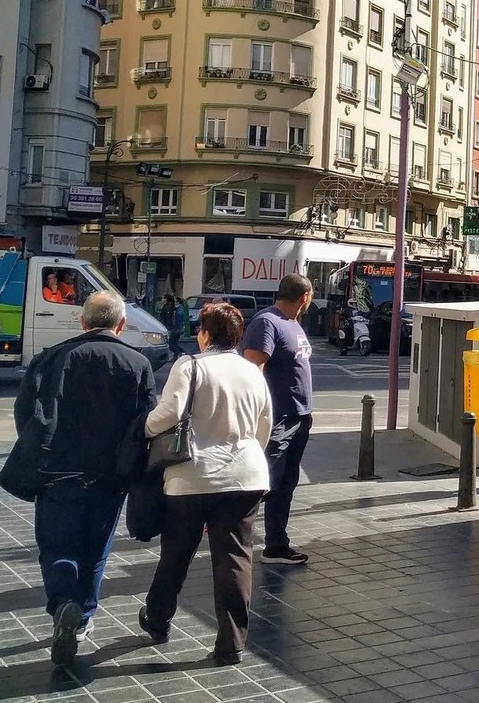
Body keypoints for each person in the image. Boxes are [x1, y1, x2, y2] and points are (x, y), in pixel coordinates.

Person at [5, 291, 156, 666]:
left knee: (57, 546)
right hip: (110, 474)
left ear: (82, 321)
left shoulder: (52, 358)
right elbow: (147, 422)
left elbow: (25, 412)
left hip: (57, 471)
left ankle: (62, 602)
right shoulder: (138, 363)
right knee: (95, 549)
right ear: (121, 324)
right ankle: (83, 616)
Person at [139, 302, 273, 666]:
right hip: (246, 475)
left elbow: (168, 413)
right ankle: (232, 642)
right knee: (235, 558)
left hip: (192, 476)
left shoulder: (190, 365)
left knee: (177, 552)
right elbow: (264, 424)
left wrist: (144, 428)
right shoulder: (252, 371)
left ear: (205, 334)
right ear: (237, 336)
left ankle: (158, 618)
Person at [241, 273, 314, 566]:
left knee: (285, 484)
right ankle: (232, 534)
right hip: (278, 419)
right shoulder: (267, 322)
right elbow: (252, 371)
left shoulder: (292, 323)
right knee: (263, 480)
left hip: (298, 416)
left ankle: (276, 545)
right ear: (305, 297)